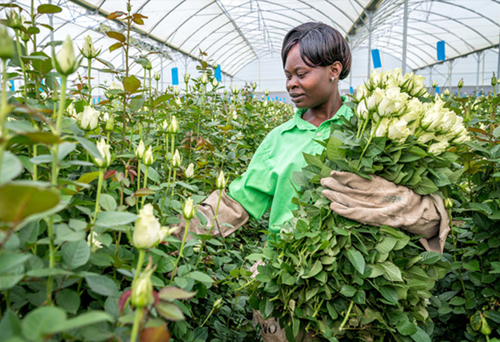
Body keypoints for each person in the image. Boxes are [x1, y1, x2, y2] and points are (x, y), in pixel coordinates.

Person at [173, 22, 449, 342]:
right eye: (288, 75)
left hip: (359, 283)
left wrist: (400, 204)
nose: (291, 83)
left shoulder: (373, 131)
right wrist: (176, 234)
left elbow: (430, 213)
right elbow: (238, 201)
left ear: (334, 69)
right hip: (285, 276)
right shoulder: (279, 139)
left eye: (301, 74)